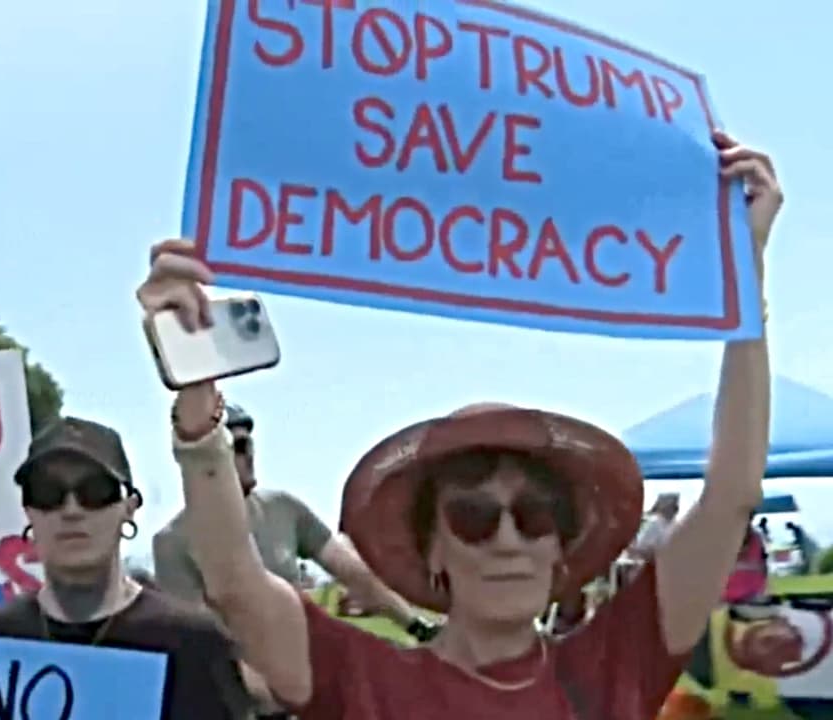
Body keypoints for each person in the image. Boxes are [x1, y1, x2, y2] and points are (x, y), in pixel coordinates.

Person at [136, 130, 778, 719]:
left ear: (560, 549)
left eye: (534, 517)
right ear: (433, 548)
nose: (507, 540)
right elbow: (232, 579)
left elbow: (730, 496)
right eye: (473, 517)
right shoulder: (365, 680)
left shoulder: (614, 663)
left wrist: (745, 279)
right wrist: (198, 392)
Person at [0, 416, 253, 720]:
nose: (71, 509)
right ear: (28, 512)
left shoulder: (195, 642)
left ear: (129, 508)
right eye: (47, 492)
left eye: (94, 491)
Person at [154, 403, 426, 633]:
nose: (249, 455)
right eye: (236, 447)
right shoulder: (172, 542)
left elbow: (355, 573)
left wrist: (418, 628)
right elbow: (193, 638)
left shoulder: (283, 508)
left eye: (249, 445)